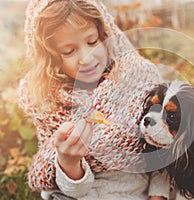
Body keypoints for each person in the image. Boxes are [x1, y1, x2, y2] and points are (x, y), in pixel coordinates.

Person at [18, 0, 169, 199]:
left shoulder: (139, 80)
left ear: (105, 35)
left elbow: (166, 146)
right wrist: (69, 162)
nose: (87, 58)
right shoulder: (49, 103)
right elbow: (68, 188)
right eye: (69, 51)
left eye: (92, 42)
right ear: (51, 58)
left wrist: (159, 194)